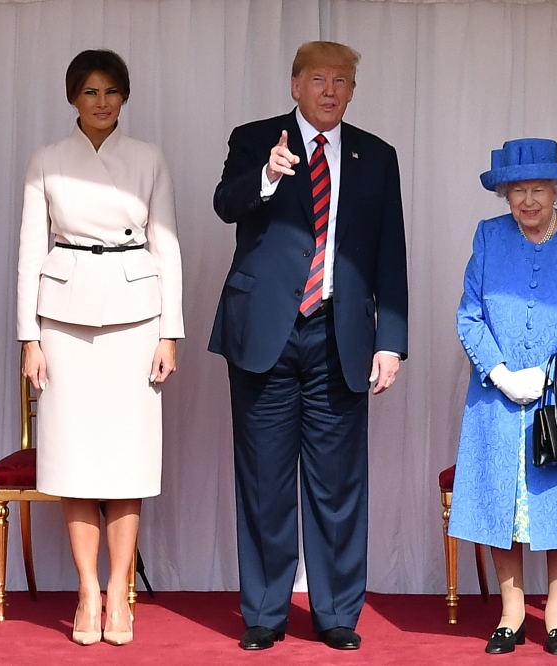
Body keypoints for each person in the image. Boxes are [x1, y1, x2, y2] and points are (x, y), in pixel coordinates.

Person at [209, 41, 408, 651]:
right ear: (294, 86)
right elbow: (224, 205)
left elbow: (389, 251)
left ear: (352, 91)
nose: (330, 90)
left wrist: (391, 341)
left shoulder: (376, 156)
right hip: (265, 333)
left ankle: (337, 614)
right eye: (318, 79)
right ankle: (265, 613)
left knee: (338, 483)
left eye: (341, 81)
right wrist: (267, 175)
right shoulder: (254, 139)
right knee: (265, 480)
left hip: (339, 335)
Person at [17, 49, 183, 647]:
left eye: (112, 91)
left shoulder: (148, 158)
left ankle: (120, 592)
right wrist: (28, 337)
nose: (102, 102)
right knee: (75, 462)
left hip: (136, 319)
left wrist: (170, 331)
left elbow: (167, 248)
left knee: (127, 463)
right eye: (90, 92)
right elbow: (30, 253)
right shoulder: (46, 161)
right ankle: (88, 589)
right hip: (62, 320)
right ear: (72, 98)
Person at [448, 138, 557, 656]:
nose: (528, 201)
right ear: (504, 194)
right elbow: (469, 314)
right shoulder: (489, 237)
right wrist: (500, 373)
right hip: (497, 398)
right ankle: (512, 612)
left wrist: (550, 377)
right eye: (517, 190)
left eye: (538, 189)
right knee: (504, 503)